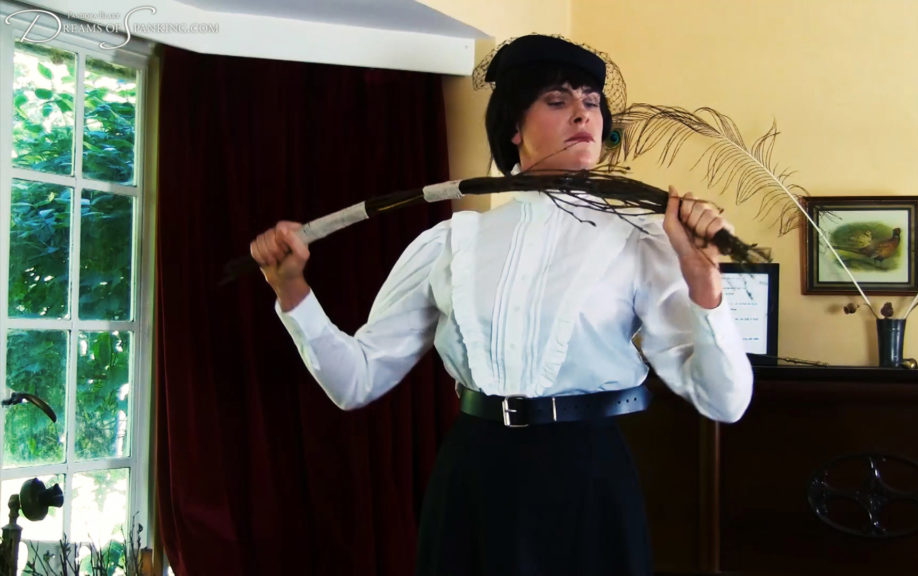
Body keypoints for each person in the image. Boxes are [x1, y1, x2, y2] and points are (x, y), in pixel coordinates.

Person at [250, 34, 753, 576]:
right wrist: (291, 289)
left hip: (588, 485)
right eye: (558, 100)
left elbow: (725, 402)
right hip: (473, 479)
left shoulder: (642, 240)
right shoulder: (450, 243)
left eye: (591, 102)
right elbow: (356, 381)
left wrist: (704, 280)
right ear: (514, 127)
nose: (583, 113)